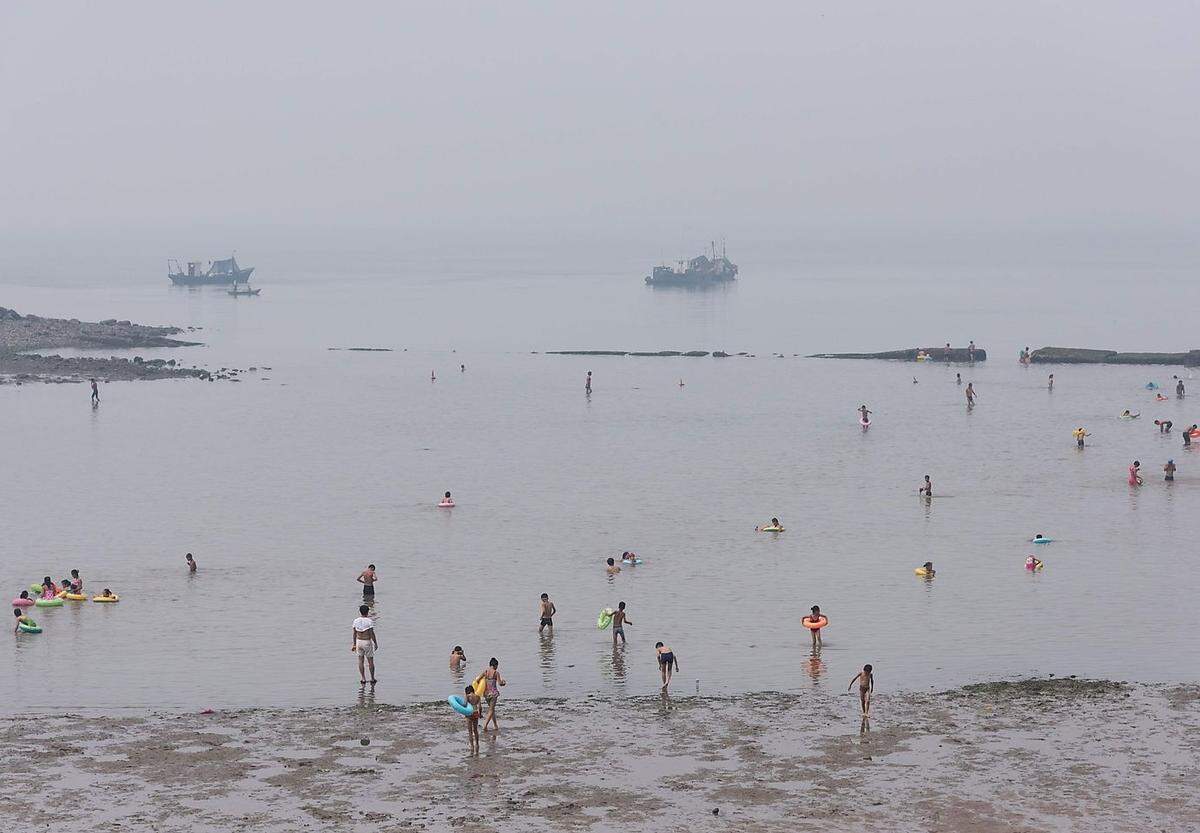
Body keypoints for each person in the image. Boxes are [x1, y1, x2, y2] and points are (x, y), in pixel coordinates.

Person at [351, 604, 378, 686]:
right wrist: (375, 643)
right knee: (370, 661)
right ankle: (372, 678)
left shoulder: (355, 621)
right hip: (367, 641)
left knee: (360, 661)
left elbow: (354, 633)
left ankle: (363, 678)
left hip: (359, 641)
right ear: (367, 612)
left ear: (360, 612)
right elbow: (371, 633)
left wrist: (354, 644)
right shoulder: (369, 621)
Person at [482, 658, 505, 732]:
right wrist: (503, 682)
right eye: (497, 665)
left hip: (486, 693)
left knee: (492, 710)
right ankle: (485, 725)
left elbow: (478, 679)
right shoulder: (496, 673)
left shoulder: (485, 672)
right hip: (493, 694)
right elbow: (500, 683)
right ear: (495, 665)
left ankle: (495, 725)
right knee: (491, 710)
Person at [464, 684, 481, 753]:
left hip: (469, 713)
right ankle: (477, 744)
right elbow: (480, 707)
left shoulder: (468, 696)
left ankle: (472, 746)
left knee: (470, 731)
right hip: (475, 713)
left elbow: (465, 704)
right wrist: (480, 714)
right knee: (475, 730)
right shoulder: (478, 697)